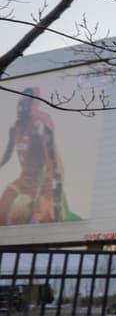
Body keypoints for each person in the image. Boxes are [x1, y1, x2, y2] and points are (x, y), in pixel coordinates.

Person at [0, 87, 74, 224]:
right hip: (26, 179)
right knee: (6, 201)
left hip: (44, 180)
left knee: (39, 216)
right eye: (20, 103)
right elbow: (7, 154)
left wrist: (55, 203)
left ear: (33, 106)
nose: (21, 108)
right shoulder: (14, 127)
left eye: (25, 104)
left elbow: (54, 165)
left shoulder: (40, 125)